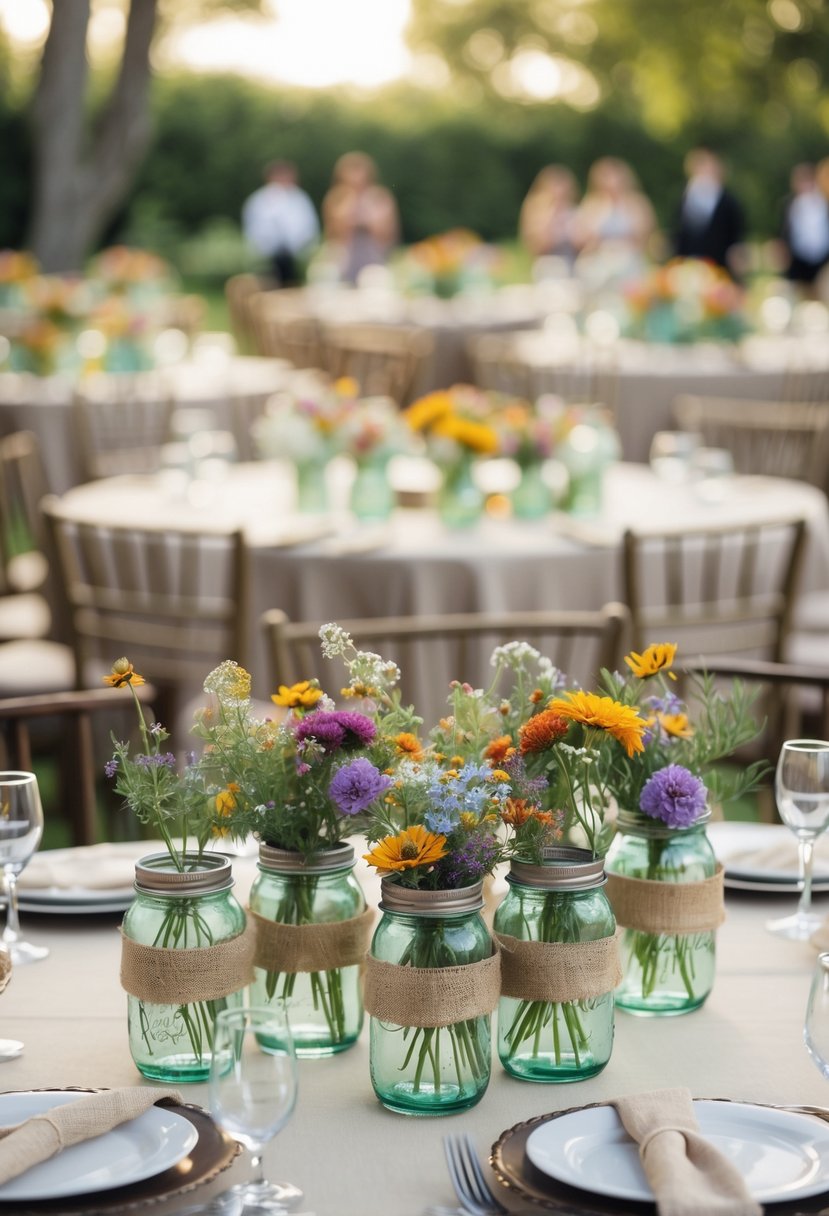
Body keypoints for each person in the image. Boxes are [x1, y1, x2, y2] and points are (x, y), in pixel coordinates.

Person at [321, 151, 400, 285]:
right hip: (345, 255)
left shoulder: (379, 197)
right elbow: (333, 232)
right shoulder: (336, 198)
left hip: (374, 254)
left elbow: (388, 232)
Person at [241, 160, 319, 287]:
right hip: (267, 258)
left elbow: (308, 227)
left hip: (295, 256)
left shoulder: (299, 199)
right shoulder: (259, 200)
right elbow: (255, 228)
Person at [674, 148, 745, 278]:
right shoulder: (685, 197)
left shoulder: (728, 200)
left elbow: (735, 231)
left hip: (719, 263)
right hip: (689, 261)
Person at [571, 157, 656, 261]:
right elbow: (582, 238)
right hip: (598, 256)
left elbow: (644, 233)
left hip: (629, 257)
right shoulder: (591, 204)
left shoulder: (637, 202)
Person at [781, 162, 829, 290]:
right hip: (797, 259)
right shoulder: (789, 204)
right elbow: (785, 231)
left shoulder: (824, 203)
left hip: (823, 259)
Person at [519, 165, 579, 266]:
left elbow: (581, 243)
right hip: (549, 262)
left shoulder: (573, 211)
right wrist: (552, 212)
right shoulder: (535, 210)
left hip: (574, 261)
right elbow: (540, 246)